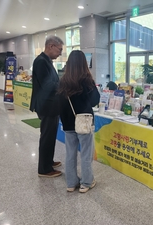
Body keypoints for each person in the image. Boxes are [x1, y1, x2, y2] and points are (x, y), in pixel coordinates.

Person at [58, 50, 100, 193]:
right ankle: (86, 183)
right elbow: (95, 101)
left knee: (70, 153)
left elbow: (60, 103)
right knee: (86, 154)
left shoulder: (63, 81)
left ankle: (71, 183)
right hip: (84, 122)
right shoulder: (87, 80)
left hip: (68, 123)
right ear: (84, 63)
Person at [30, 35, 64, 178]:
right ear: (51, 46)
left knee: (50, 136)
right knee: (46, 137)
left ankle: (48, 161)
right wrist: (64, 84)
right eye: (60, 49)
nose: (61, 53)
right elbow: (48, 85)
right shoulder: (41, 61)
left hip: (51, 105)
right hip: (46, 106)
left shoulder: (47, 61)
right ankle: (44, 169)